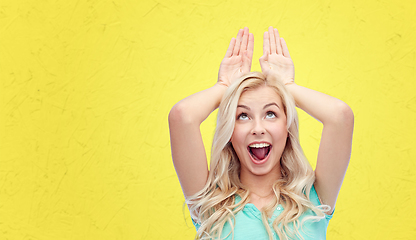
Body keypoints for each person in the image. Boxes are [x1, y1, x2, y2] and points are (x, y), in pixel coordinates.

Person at [168, 27, 354, 240]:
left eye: (271, 114)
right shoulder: (211, 203)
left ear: (287, 128)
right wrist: (225, 87)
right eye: (243, 116)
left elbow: (340, 116)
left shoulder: (314, 199)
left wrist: (286, 86)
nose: (258, 128)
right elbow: (182, 116)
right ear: (230, 132)